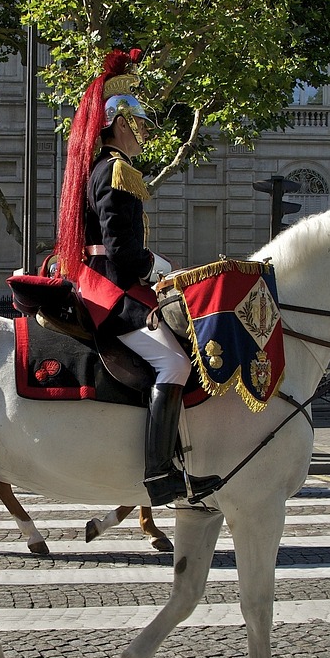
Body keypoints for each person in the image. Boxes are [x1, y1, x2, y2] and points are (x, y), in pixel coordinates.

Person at [52, 49, 218, 508]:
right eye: (141, 124)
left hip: (106, 280)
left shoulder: (102, 169)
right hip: (110, 290)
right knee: (175, 365)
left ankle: (181, 459)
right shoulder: (117, 171)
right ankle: (159, 474)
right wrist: (158, 268)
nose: (145, 133)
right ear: (121, 123)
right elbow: (122, 257)